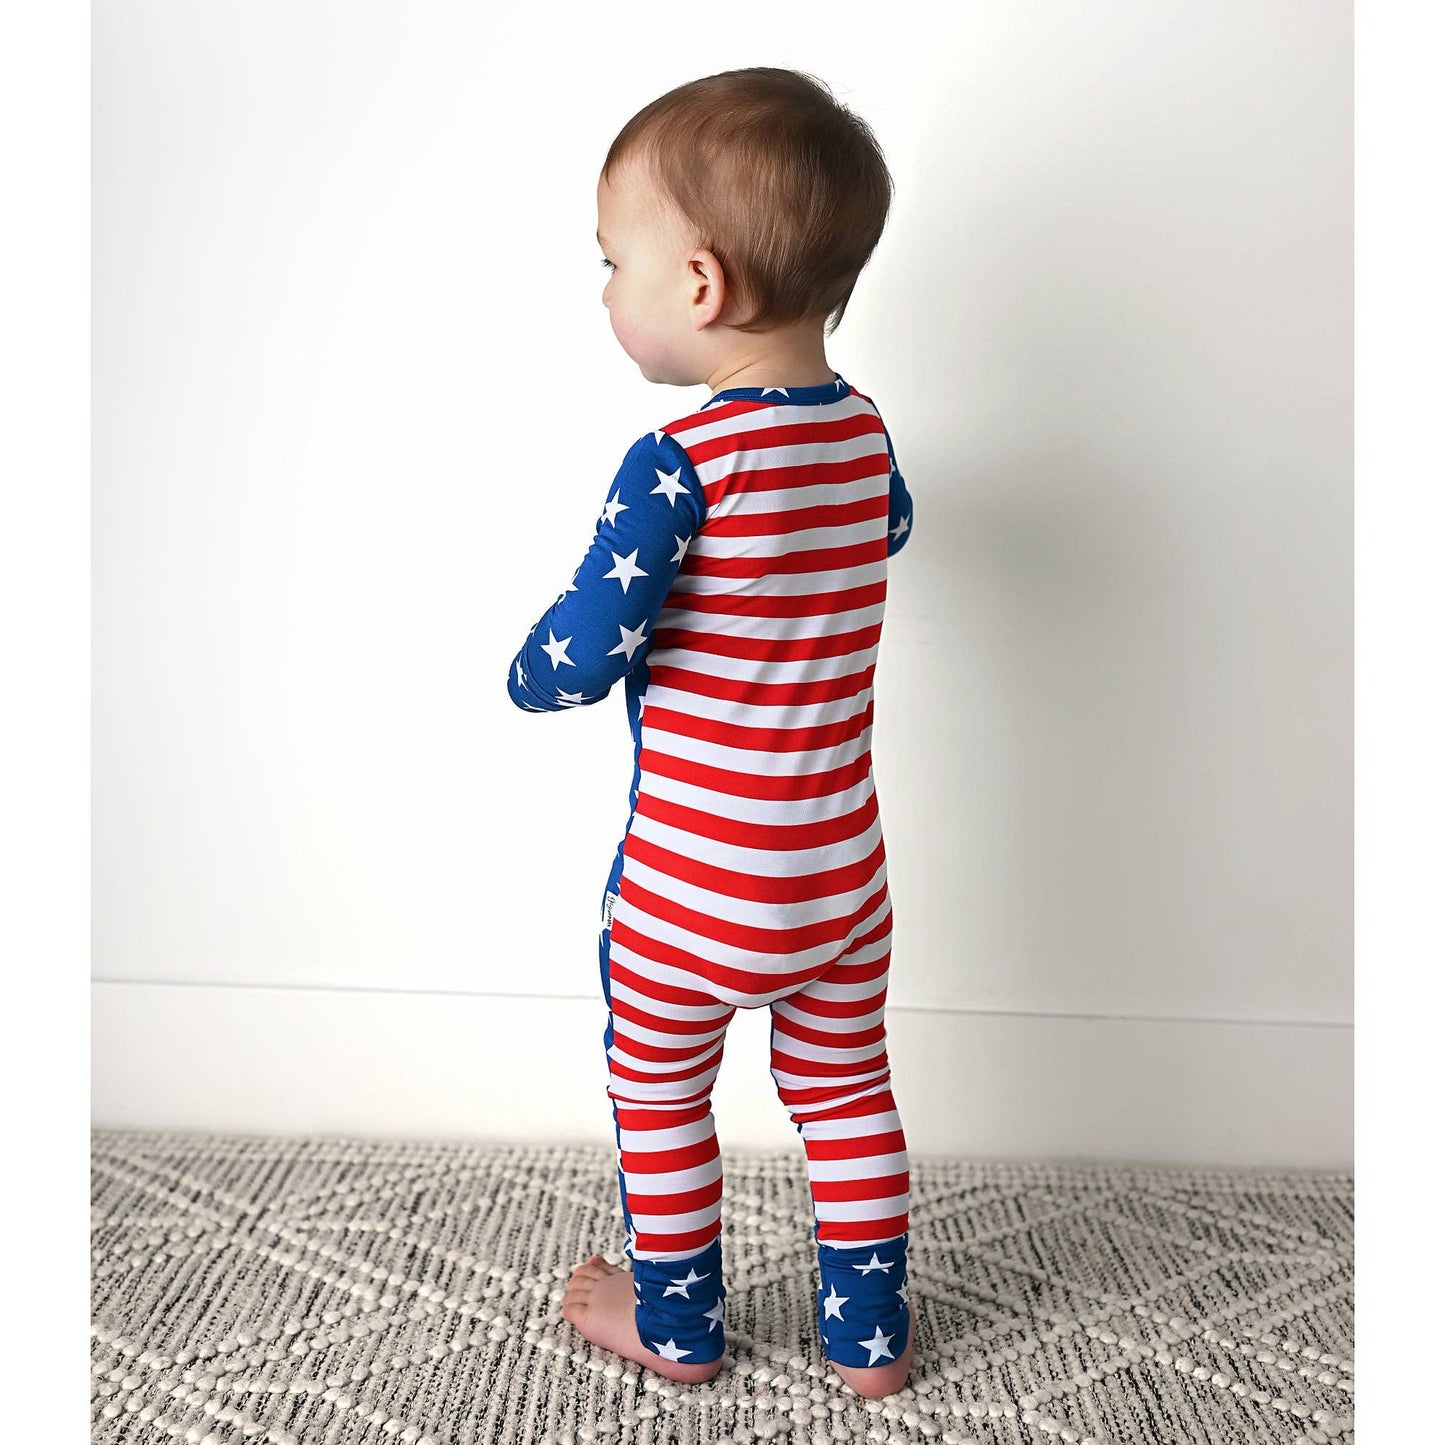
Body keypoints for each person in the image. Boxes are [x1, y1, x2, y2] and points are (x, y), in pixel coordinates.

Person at [506, 66, 916, 1399]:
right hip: (839, 876)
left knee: (663, 1093)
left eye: (611, 259)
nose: (604, 288)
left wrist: (525, 664)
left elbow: (569, 664)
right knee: (846, 1091)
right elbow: (892, 528)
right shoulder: (861, 435)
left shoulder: (675, 462)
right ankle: (867, 1338)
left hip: (693, 886)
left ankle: (674, 1321)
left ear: (697, 286)